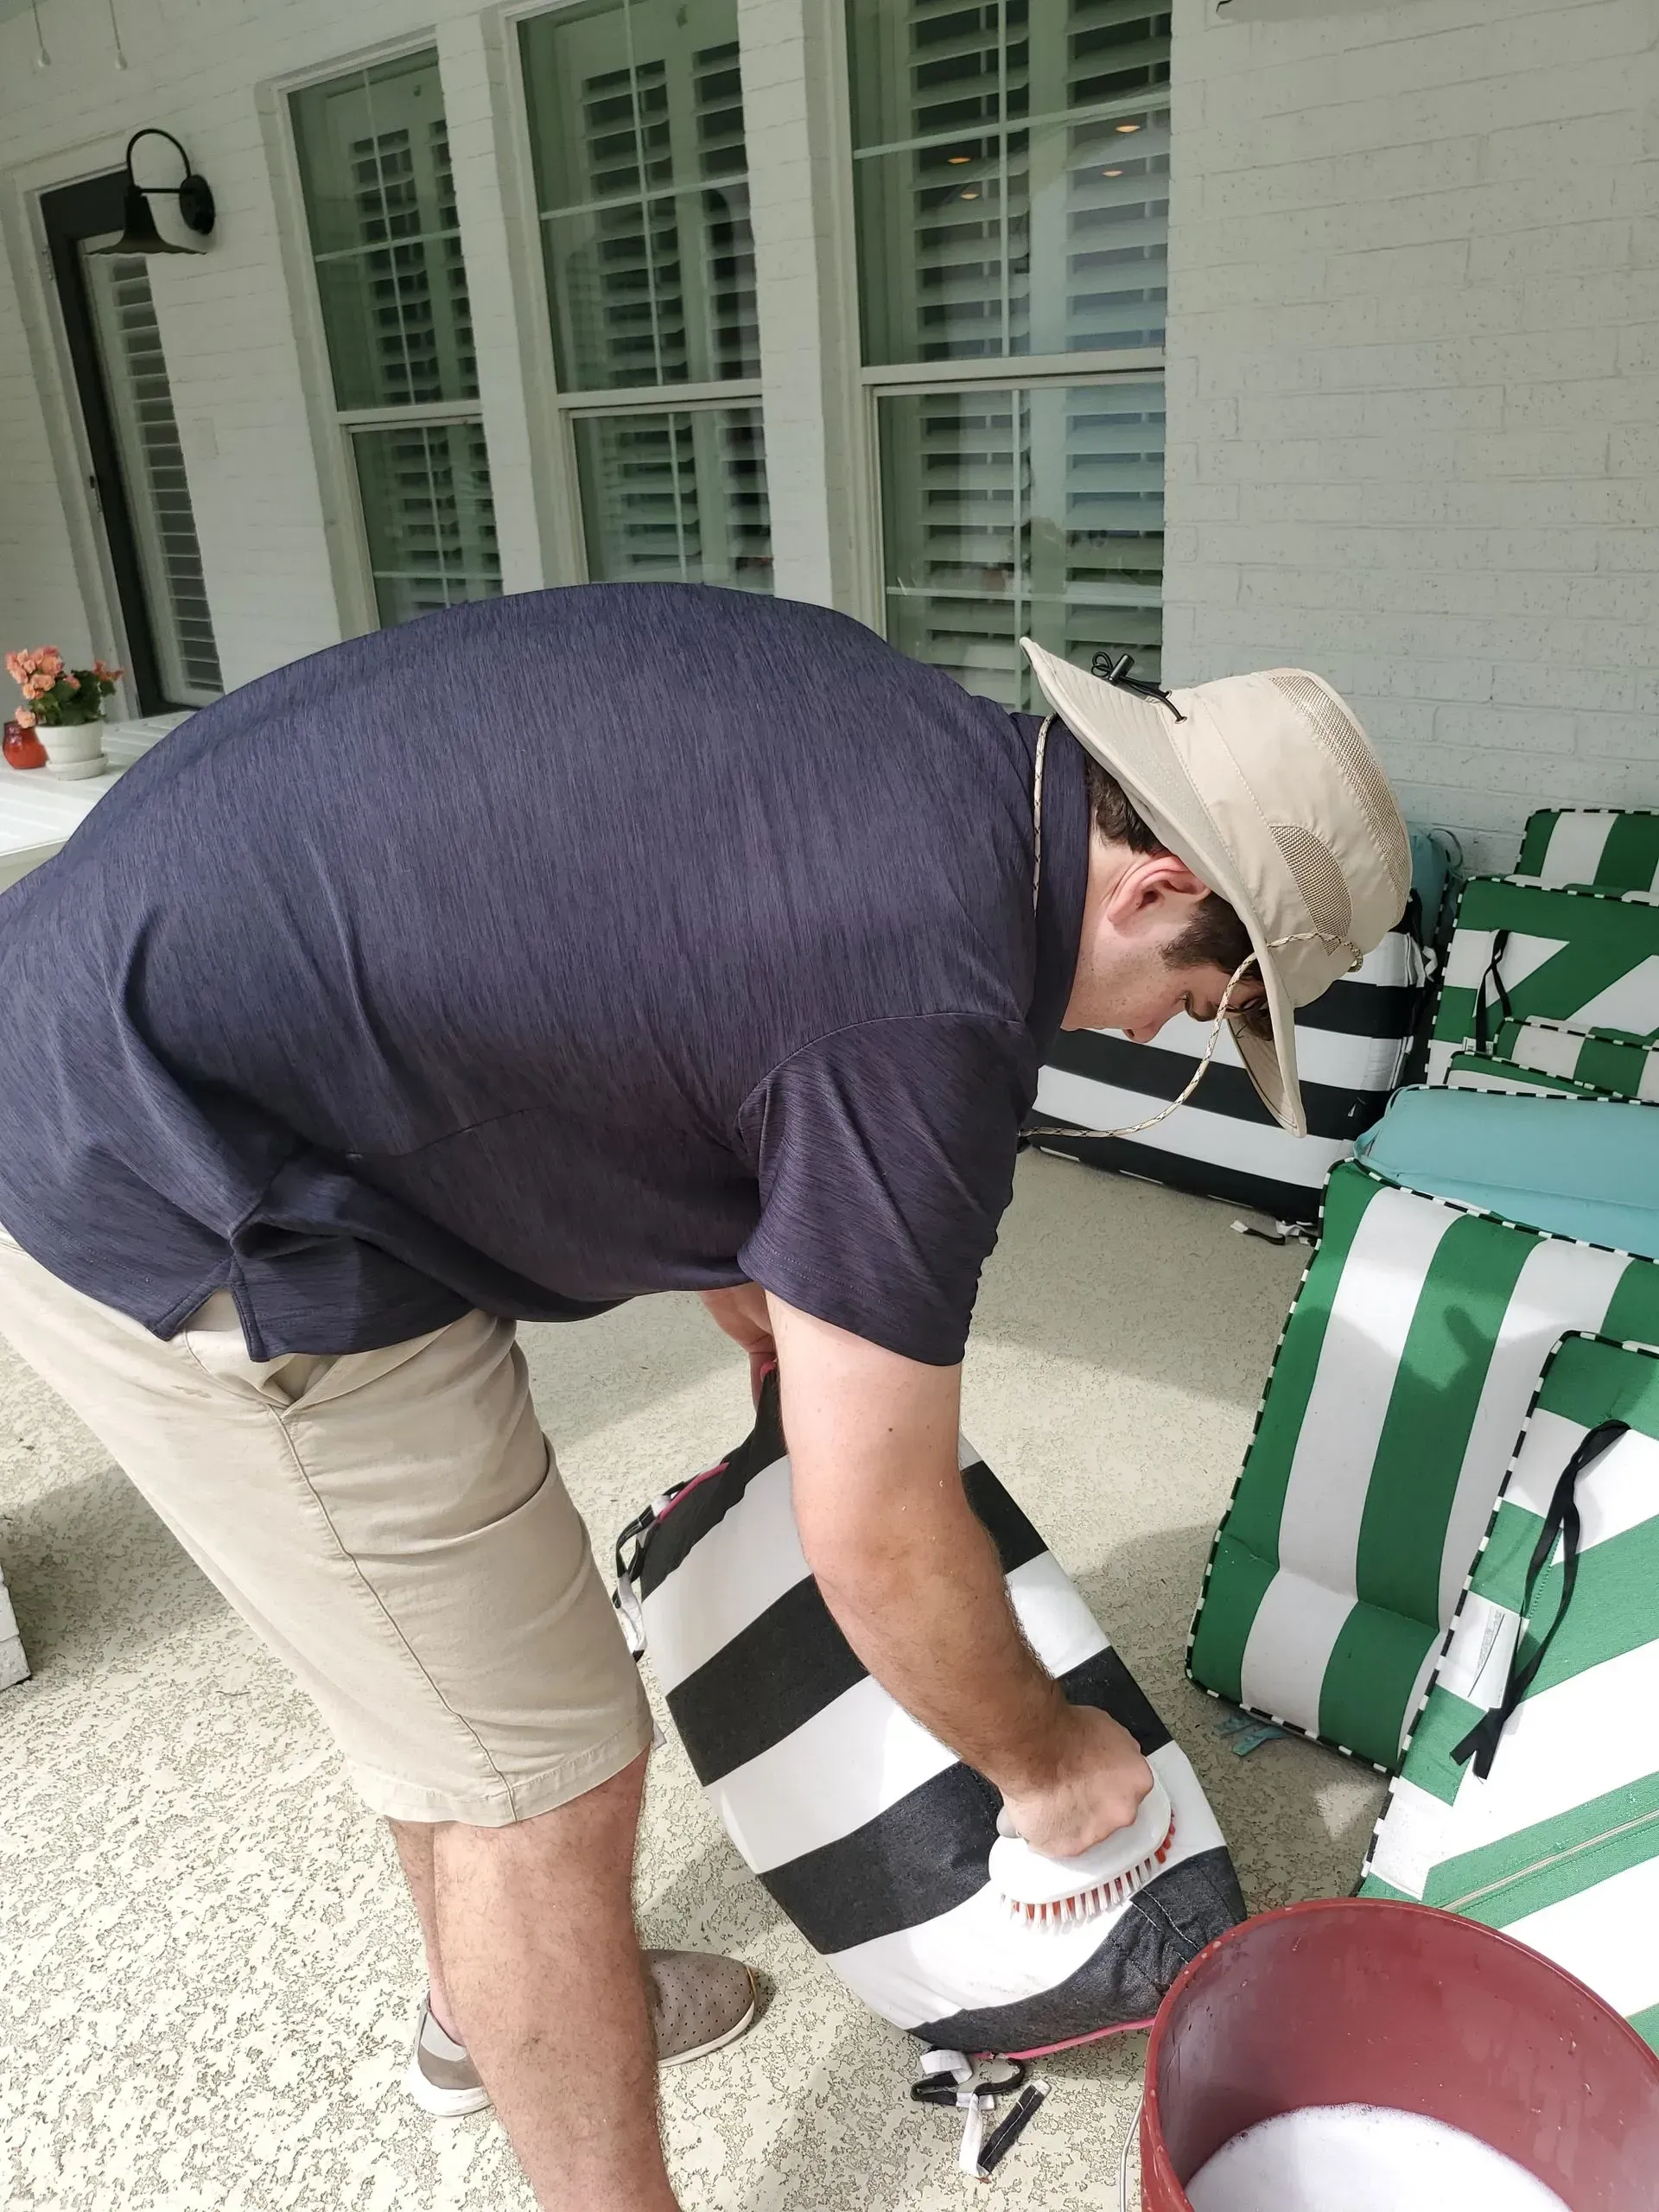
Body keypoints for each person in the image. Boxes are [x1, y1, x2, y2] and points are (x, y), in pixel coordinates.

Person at [0, 587, 1409, 2210]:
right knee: (544, 1772)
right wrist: (1051, 1764)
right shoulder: (926, 1006)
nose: (1184, 1039)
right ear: (1159, 880)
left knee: (449, 1692)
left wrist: (734, 1246)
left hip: (156, 1013)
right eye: (1217, 1002)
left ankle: (495, 2006)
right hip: (177, 1182)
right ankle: (546, 2063)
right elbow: (877, 1535)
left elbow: (609, 963)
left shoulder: (885, 716)